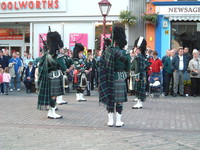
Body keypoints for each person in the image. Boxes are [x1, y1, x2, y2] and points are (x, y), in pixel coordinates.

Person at [99, 26, 130, 127]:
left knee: (110, 99)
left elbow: (100, 64)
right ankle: (118, 121)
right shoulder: (125, 53)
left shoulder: (107, 51)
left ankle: (110, 121)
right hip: (120, 77)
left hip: (109, 77)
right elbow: (127, 67)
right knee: (119, 101)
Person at [37, 30, 68, 119]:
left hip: (48, 77)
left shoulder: (46, 54)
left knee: (51, 96)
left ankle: (50, 112)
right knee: (53, 96)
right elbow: (64, 68)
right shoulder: (58, 56)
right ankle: (52, 112)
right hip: (55, 76)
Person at [132, 37, 150, 109]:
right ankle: (139, 102)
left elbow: (138, 67)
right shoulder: (141, 56)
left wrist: (137, 76)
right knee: (139, 89)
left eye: (136, 47)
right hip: (141, 75)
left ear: (138, 48)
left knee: (139, 89)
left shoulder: (139, 56)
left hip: (139, 75)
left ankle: (139, 103)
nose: (134, 49)